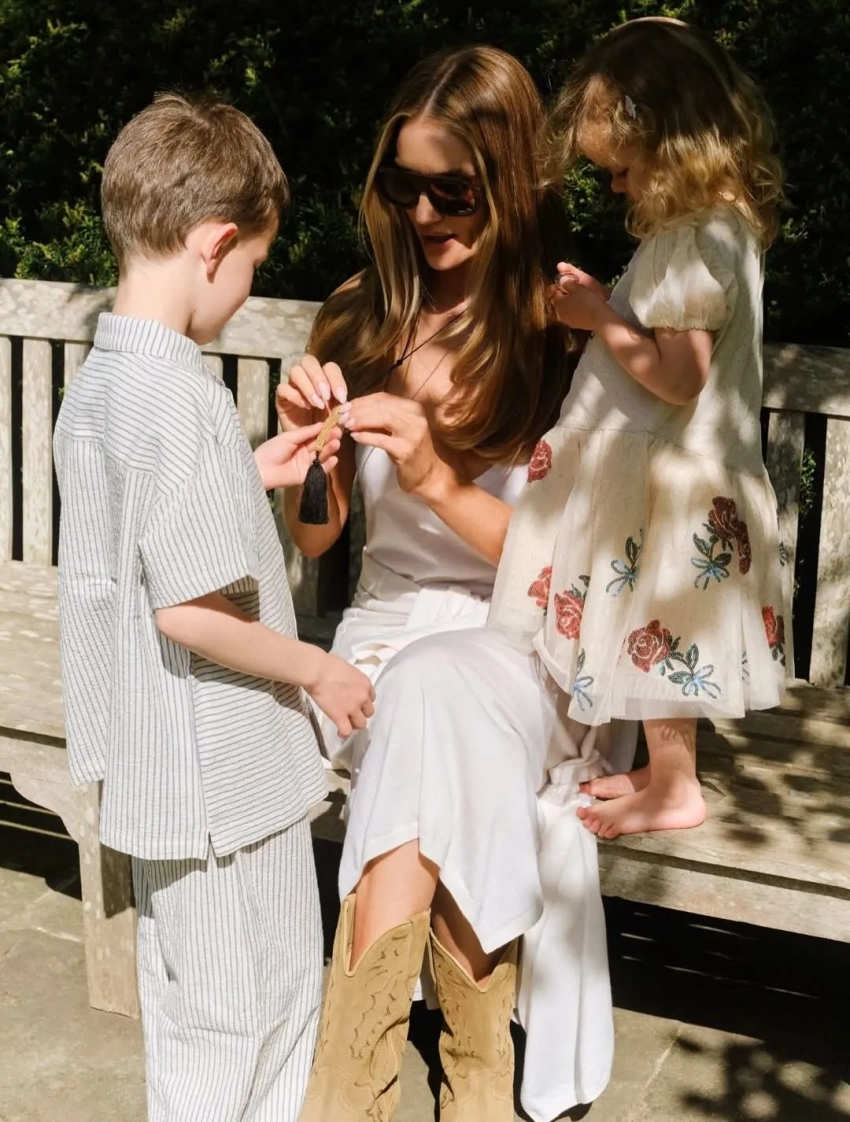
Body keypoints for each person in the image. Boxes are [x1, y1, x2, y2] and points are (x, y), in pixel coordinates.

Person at [278, 47, 632, 1122]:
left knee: (437, 695)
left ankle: (347, 1099)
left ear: (511, 185)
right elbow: (319, 537)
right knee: (428, 702)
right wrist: (310, 460)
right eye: (404, 186)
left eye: (453, 191)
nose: (424, 214)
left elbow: (575, 577)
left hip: (529, 644)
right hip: (384, 632)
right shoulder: (361, 315)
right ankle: (476, 1086)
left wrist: (434, 474)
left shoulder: (566, 330)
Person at [53, 93, 374, 1122]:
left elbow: (142, 540)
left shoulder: (102, 385)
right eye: (253, 266)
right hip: (223, 784)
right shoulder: (183, 399)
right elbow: (188, 612)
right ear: (216, 243)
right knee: (257, 1016)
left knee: (193, 1014)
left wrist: (251, 467)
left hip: (154, 770)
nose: (245, 292)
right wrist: (320, 668)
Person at [489, 16, 791, 839]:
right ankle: (664, 774)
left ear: (669, 145)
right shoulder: (724, 228)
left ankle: (676, 790)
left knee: (661, 629)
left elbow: (680, 377)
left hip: (675, 478)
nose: (617, 189)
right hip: (690, 471)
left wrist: (597, 317)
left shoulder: (687, 241)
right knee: (662, 635)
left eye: (621, 169)